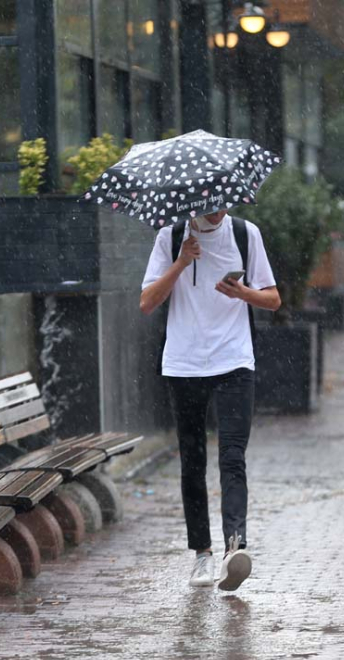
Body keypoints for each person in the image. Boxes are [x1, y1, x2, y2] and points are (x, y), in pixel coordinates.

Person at [140, 209, 280, 590]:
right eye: (207, 202)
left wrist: (243, 293)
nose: (215, 208)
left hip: (234, 359)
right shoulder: (170, 238)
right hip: (183, 363)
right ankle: (201, 553)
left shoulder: (245, 233)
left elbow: (273, 299)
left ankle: (234, 547)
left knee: (233, 456)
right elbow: (147, 302)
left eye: (221, 200)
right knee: (192, 459)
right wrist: (181, 262)